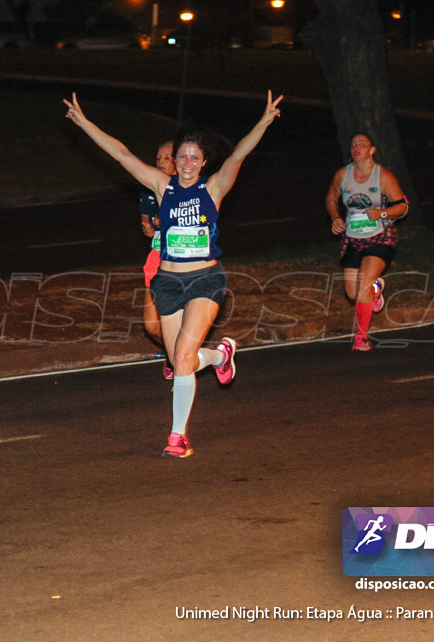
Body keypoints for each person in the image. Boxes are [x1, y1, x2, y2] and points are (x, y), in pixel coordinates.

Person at [64, 90, 282, 458]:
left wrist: (263, 121)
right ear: (174, 158)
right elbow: (121, 154)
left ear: (204, 161)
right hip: (166, 283)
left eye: (194, 157)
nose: (186, 162)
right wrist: (85, 123)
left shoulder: (213, 188)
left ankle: (178, 437)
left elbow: (240, 153)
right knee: (184, 360)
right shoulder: (161, 187)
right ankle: (219, 356)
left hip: (204, 281)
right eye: (182, 155)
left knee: (181, 357)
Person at [325, 133, 408, 351]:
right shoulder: (343, 175)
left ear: (372, 150)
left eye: (362, 144)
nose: (357, 147)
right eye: (353, 144)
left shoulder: (383, 177)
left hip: (380, 236)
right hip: (352, 237)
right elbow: (332, 198)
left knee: (362, 284)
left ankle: (361, 338)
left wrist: (381, 213)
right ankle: (375, 287)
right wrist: (335, 217)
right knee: (352, 293)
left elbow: (402, 206)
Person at [140, 141, 176, 379]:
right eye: (158, 157)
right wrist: (148, 227)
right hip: (156, 259)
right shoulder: (148, 188)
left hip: (181, 261)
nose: (161, 162)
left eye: (167, 157)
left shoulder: (187, 188)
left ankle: (180, 358)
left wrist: (171, 222)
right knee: (151, 325)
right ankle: (174, 352)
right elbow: (146, 220)